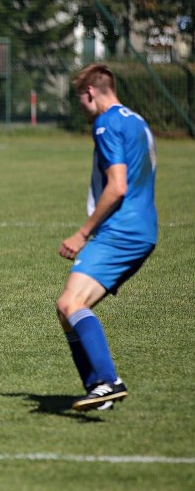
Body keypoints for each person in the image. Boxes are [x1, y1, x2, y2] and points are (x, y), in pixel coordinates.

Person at [57, 63, 157, 412]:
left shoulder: (106, 123)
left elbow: (117, 186)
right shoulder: (137, 121)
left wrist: (83, 233)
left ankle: (109, 381)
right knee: (66, 309)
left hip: (121, 230)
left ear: (90, 93)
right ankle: (99, 388)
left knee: (72, 304)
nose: (82, 109)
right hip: (142, 229)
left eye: (80, 101)